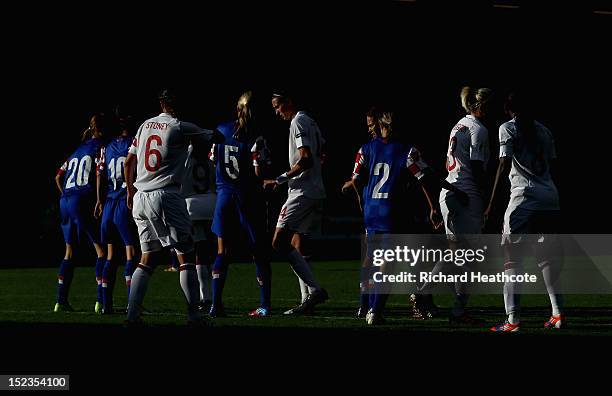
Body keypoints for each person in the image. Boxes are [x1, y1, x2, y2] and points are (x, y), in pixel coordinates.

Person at [341, 110, 457, 325]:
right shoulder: (406, 150)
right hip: (391, 211)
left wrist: (361, 200)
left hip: (371, 210)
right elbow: (424, 176)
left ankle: (363, 305)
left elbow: (355, 179)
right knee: (390, 261)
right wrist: (442, 199)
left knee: (370, 259)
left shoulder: (365, 148)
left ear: (380, 125)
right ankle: (375, 311)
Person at [124, 89, 222, 326]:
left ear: (161, 103)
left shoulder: (144, 125)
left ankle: (131, 315)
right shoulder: (180, 126)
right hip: (166, 194)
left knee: (146, 257)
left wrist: (129, 191)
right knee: (186, 255)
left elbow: (129, 162)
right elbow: (217, 136)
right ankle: (194, 315)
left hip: (141, 196)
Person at [486, 91, 563, 332]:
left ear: (508, 109)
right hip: (549, 198)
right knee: (547, 259)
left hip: (523, 199)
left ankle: (512, 320)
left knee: (512, 260)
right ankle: (558, 314)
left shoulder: (508, 128)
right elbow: (553, 165)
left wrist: (490, 204)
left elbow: (503, 163)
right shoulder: (545, 130)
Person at [418, 86, 493, 325]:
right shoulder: (478, 129)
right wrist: (487, 198)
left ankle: (455, 308)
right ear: (481, 105)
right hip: (465, 194)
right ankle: (425, 291)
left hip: (450, 192)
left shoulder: (458, 124)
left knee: (459, 255)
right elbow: (478, 168)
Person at [207, 91, 272, 318]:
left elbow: (213, 159)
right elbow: (258, 171)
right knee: (259, 252)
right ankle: (264, 304)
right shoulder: (256, 136)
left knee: (222, 252)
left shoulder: (221, 130)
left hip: (224, 197)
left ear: (237, 109)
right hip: (247, 197)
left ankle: (216, 304)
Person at [264, 91, 329, 315]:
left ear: (289, 101)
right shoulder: (310, 120)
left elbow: (307, 158)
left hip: (301, 192)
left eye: (277, 106)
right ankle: (307, 300)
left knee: (278, 242)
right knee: (296, 243)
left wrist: (280, 179)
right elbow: (322, 153)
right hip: (314, 189)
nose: (276, 112)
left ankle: (315, 290)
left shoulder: (298, 122)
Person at [54, 114, 107, 312]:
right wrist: (98, 198)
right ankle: (101, 301)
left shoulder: (77, 150)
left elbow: (57, 177)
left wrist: (66, 195)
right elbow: (99, 173)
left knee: (69, 252)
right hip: (81, 199)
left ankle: (61, 301)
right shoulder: (100, 147)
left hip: (65, 200)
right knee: (101, 249)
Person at [94, 106, 138, 314]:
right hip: (123, 201)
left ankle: (105, 304)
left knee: (111, 256)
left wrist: (99, 200)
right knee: (131, 253)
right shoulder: (133, 143)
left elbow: (99, 174)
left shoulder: (107, 146)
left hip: (109, 202)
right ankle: (132, 304)